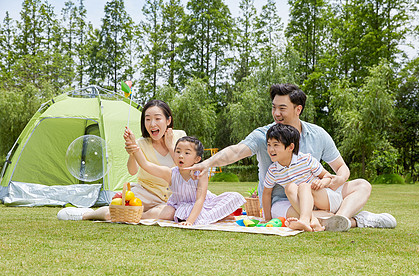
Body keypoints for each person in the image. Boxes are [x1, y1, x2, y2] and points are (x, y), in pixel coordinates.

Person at [188, 83, 396, 231]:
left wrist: (335, 181)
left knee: (362, 185)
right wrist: (207, 162)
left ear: (298, 109)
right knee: (303, 213)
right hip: (283, 202)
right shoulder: (264, 135)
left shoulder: (318, 134)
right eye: (273, 108)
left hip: (317, 194)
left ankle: (341, 217)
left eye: (282, 108)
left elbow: (342, 169)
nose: (276, 113)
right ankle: (358, 220)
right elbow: (235, 151)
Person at [57, 100, 186, 221]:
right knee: (110, 214)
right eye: (147, 119)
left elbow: (185, 168)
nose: (152, 124)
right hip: (146, 193)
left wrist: (170, 146)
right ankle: (86, 214)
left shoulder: (180, 136)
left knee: (167, 213)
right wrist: (132, 153)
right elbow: (132, 171)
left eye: (158, 118)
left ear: (168, 120)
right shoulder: (140, 143)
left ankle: (135, 217)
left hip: (172, 197)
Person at [125, 130, 246, 225]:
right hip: (180, 205)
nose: (181, 156)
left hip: (202, 204)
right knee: (167, 213)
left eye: (187, 153)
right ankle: (137, 216)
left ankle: (219, 216)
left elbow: (200, 200)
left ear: (197, 159)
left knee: (231, 198)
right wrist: (133, 145)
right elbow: (146, 165)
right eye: (178, 151)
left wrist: (190, 222)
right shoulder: (171, 173)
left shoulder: (201, 173)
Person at [263, 123, 334, 232]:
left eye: (276, 145)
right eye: (269, 144)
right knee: (290, 187)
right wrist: (267, 219)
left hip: (319, 197)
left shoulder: (305, 160)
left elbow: (327, 176)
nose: (271, 149)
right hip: (302, 204)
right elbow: (267, 193)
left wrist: (322, 182)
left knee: (304, 186)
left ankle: (305, 220)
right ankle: (313, 220)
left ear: (291, 147)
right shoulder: (273, 170)